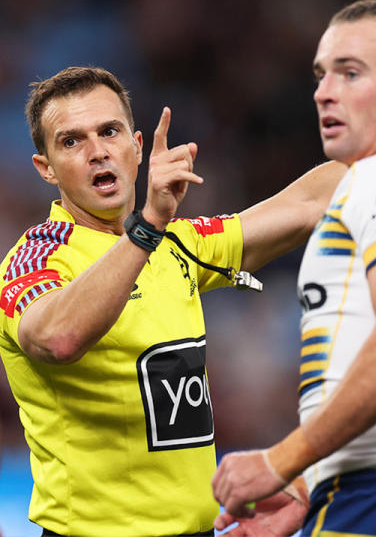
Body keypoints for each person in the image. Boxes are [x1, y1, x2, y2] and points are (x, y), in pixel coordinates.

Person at [0, 66, 347, 535]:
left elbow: (311, 203)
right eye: (71, 141)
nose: (98, 151)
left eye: (109, 132)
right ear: (46, 168)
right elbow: (58, 338)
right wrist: (147, 226)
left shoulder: (178, 243)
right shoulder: (35, 258)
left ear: (137, 146)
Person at [211, 0, 376, 535]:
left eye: (350, 73)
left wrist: (281, 461)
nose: (323, 91)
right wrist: (312, 480)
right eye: (321, 74)